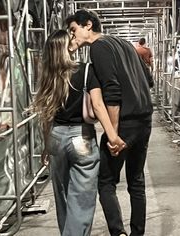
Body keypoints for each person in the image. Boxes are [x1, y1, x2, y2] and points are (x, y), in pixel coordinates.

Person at [66, 9, 153, 236]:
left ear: (88, 25)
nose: (72, 35)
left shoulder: (99, 47)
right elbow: (148, 80)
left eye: (74, 30)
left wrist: (112, 133)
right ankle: (137, 232)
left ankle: (118, 233)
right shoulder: (123, 43)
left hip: (124, 122)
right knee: (136, 180)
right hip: (144, 119)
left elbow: (112, 92)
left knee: (105, 181)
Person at [31, 29, 125, 236]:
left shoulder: (47, 75)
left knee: (63, 196)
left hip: (56, 136)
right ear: (66, 47)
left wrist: (46, 145)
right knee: (81, 199)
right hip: (81, 137)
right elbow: (99, 106)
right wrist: (113, 137)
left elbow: (46, 116)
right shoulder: (86, 71)